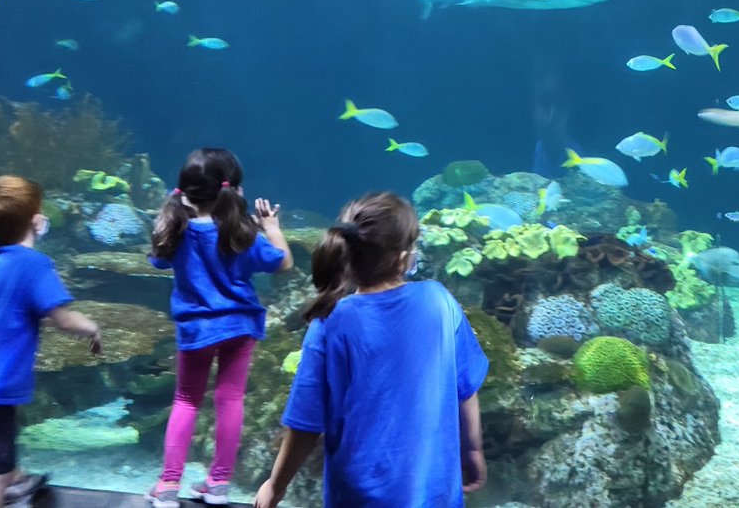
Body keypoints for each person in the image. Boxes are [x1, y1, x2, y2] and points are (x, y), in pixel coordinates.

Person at [253, 192, 489, 508]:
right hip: (434, 494)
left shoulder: (329, 321)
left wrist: (275, 485)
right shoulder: (439, 301)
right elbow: (465, 389)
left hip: (358, 497)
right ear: (402, 257)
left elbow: (305, 426)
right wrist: (472, 450)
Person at [147, 148, 293, 508]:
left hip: (196, 330)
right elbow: (283, 263)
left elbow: (158, 261)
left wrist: (170, 209)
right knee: (230, 400)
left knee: (185, 400)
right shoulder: (241, 233)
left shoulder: (176, 230)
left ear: (182, 190)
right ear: (234, 191)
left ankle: (168, 485)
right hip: (239, 327)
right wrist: (272, 228)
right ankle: (218, 484)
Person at [0, 175, 102, 508]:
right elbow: (64, 319)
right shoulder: (34, 265)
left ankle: (19, 479)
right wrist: (93, 328)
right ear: (36, 221)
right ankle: (6, 481)